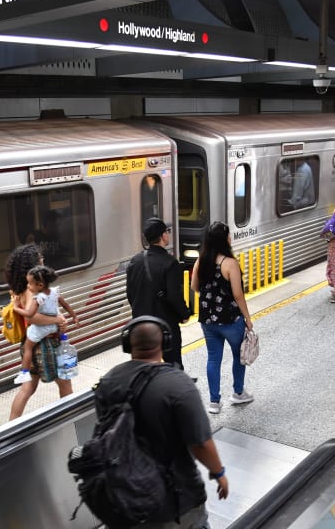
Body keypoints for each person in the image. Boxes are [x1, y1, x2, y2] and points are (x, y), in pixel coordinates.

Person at [94, 319, 229, 527]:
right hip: (176, 500)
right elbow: (200, 443)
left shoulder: (108, 381)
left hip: (126, 497)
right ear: (165, 342)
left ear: (128, 345)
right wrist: (219, 473)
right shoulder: (178, 384)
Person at [189, 222, 255, 414]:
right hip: (230, 320)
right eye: (228, 234)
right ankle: (238, 393)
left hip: (208, 321)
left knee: (213, 358)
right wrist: (247, 318)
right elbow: (238, 294)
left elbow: (194, 287)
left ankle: (214, 403)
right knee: (238, 356)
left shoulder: (201, 260)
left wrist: (210, 293)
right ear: (224, 239)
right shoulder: (230, 263)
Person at [7, 244, 73, 420]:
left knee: (28, 387)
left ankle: (10, 427)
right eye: (39, 258)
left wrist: (58, 317)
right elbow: (33, 317)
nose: (43, 260)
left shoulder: (21, 287)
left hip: (31, 342)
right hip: (45, 344)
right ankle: (71, 421)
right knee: (65, 383)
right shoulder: (32, 291)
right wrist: (57, 320)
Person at [126, 217, 192, 370]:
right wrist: (184, 314)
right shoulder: (170, 263)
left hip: (140, 327)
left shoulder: (135, 261)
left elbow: (130, 293)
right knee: (173, 367)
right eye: (167, 232)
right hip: (165, 327)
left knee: (145, 368)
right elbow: (174, 296)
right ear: (163, 236)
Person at [12, 264, 78, 384]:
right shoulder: (54, 292)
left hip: (41, 328)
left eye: (30, 284)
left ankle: (25, 372)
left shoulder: (38, 298)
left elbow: (29, 314)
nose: (28, 286)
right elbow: (65, 305)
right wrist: (74, 316)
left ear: (40, 285)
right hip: (53, 327)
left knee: (28, 347)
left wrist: (16, 307)